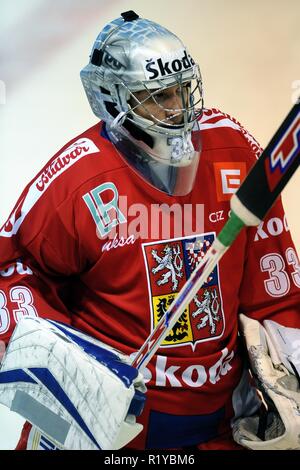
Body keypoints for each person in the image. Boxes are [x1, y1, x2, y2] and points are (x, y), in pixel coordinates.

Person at [0, 10, 299, 451]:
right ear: (111, 97)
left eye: (182, 90)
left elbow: (276, 282)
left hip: (223, 421)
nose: (179, 109)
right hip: (113, 428)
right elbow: (13, 270)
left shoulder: (231, 148)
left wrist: (291, 352)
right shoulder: (78, 181)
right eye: (158, 96)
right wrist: (65, 375)